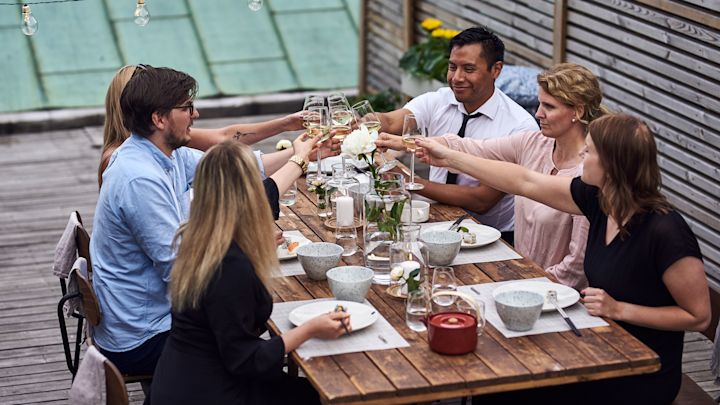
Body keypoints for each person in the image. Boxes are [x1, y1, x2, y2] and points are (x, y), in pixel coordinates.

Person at [417, 113, 711, 404]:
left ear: (612, 165)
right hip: (595, 343)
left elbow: (699, 316)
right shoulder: (600, 202)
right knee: (498, 383)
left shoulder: (666, 231)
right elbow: (524, 181)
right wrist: (449, 157)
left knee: (514, 388)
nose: (583, 152)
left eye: (591, 150)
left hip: (639, 369)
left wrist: (620, 309)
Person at [89, 65, 318, 383]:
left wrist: (302, 153)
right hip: (145, 334)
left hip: (159, 314)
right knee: (258, 328)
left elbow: (240, 171)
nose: (195, 115)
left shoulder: (164, 152)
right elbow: (183, 271)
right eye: (187, 107)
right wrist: (244, 246)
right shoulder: (138, 178)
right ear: (159, 119)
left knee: (257, 317)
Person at [151, 141, 349, 404]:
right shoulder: (229, 264)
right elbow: (246, 359)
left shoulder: (199, 237)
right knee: (324, 395)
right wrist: (311, 329)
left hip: (180, 381)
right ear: (249, 192)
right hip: (213, 391)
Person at [430, 63, 608, 289]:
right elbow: (473, 148)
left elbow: (576, 267)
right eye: (540, 103)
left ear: (578, 111)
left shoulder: (589, 173)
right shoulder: (534, 143)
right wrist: (410, 143)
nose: (538, 113)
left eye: (549, 107)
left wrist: (526, 281)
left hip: (557, 295)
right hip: (517, 277)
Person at [375, 26, 538, 243]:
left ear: (496, 70)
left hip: (495, 238)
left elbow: (481, 200)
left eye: (469, 69)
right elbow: (391, 121)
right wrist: (364, 120)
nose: (457, 78)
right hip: (435, 224)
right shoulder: (440, 100)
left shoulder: (519, 126)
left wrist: (406, 179)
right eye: (452, 67)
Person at [99, 64, 308, 188]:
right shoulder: (126, 166)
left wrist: (288, 128)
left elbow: (227, 147)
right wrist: (297, 159)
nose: (195, 114)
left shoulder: (165, 146)